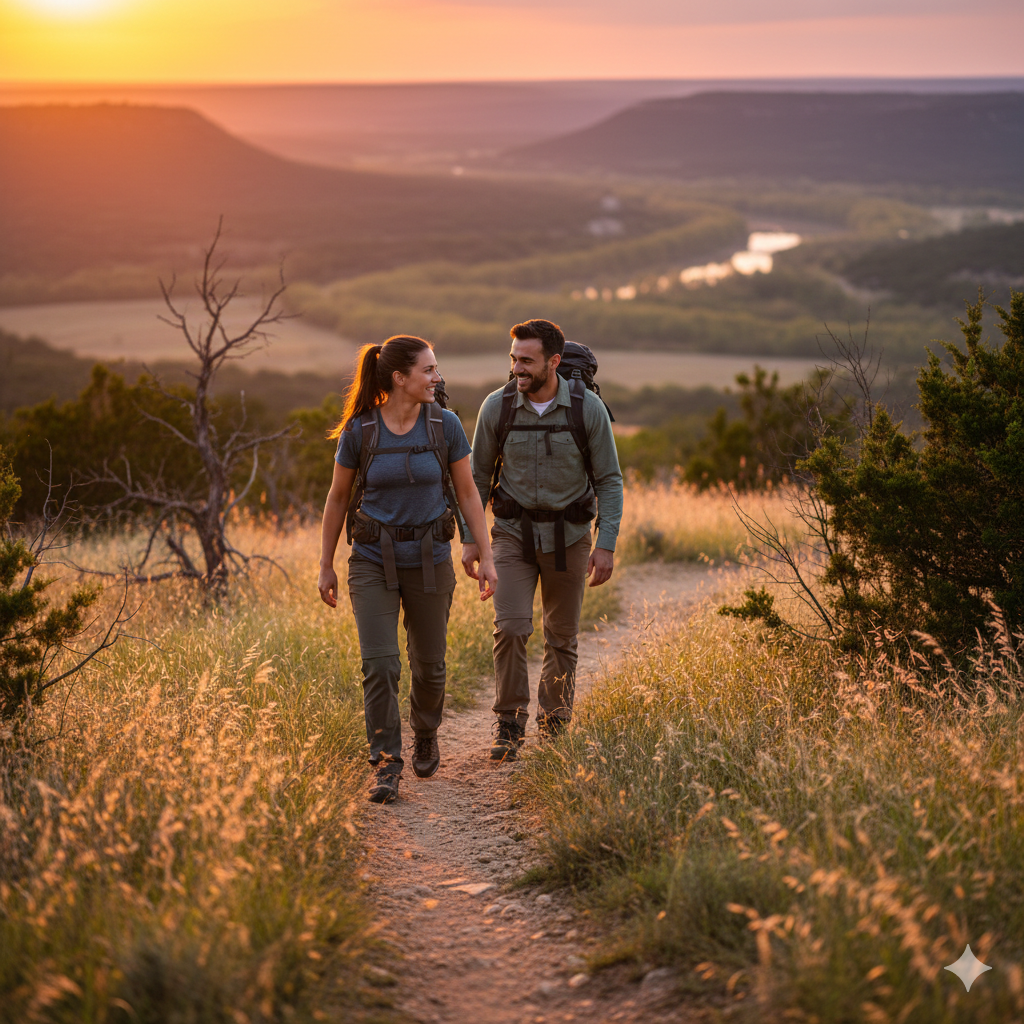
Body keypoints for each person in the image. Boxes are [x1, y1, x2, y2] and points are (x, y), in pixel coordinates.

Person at [318, 335, 497, 803]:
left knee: (431, 667)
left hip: (431, 556)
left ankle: (425, 730)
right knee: (380, 664)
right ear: (400, 378)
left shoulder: (446, 425)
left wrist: (485, 552)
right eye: (429, 371)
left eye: (436, 369)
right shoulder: (361, 432)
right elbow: (337, 498)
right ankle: (385, 762)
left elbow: (468, 493)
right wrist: (326, 565)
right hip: (372, 560)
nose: (438, 378)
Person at [461, 319, 623, 760]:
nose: (517, 368)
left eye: (527, 360)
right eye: (513, 359)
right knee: (511, 627)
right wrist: (471, 540)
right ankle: (509, 723)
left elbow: (609, 479)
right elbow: (475, 477)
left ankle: (555, 726)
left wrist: (605, 543)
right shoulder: (497, 407)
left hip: (569, 536)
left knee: (561, 636)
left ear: (554, 361)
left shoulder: (585, 409)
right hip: (511, 535)